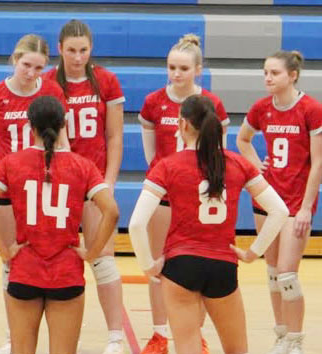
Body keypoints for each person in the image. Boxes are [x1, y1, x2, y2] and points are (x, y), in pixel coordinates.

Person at [129, 95, 289, 354]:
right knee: (237, 349)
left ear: (182, 125)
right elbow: (279, 211)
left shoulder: (167, 165)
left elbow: (136, 224)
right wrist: (253, 253)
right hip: (223, 266)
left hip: (180, 265)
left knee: (188, 347)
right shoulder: (237, 163)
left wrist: (148, 265)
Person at [0, 95, 119, 354]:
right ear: (64, 124)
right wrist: (93, 252)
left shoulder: (12, 162)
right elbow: (112, 211)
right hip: (66, 273)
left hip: (24, 270)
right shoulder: (83, 166)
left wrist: (4, 251)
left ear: (30, 127)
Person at [0, 33, 68, 354]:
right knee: (11, 258)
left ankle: (58, 330)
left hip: (40, 183)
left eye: (38, 67)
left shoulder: (52, 91)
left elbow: (62, 136)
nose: (31, 73)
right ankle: (16, 336)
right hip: (5, 182)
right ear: (15, 60)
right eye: (26, 65)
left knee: (45, 252)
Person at [138, 33, 230, 354]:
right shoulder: (153, 102)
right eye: (171, 67)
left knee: (196, 264)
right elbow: (151, 152)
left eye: (183, 69)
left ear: (198, 71)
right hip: (164, 192)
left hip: (197, 197)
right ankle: (159, 333)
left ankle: (194, 334)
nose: (176, 74)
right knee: (157, 264)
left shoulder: (211, 104)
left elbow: (219, 151)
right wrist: (162, 176)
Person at [43, 19, 125, 353]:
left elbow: (114, 136)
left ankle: (116, 336)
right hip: (60, 183)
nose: (78, 57)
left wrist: (109, 182)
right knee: (51, 256)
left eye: (84, 50)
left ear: (91, 50)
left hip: (94, 182)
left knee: (103, 257)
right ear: (60, 49)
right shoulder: (48, 82)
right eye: (72, 50)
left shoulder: (105, 80)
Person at [236, 50, 322, 354]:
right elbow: (242, 139)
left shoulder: (311, 109)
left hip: (296, 201)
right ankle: (281, 335)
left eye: (274, 73)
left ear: (292, 75)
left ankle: (296, 341)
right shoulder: (261, 108)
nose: (268, 78)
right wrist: (256, 165)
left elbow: (319, 161)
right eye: (265, 73)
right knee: (272, 273)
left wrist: (305, 208)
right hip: (268, 200)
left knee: (287, 273)